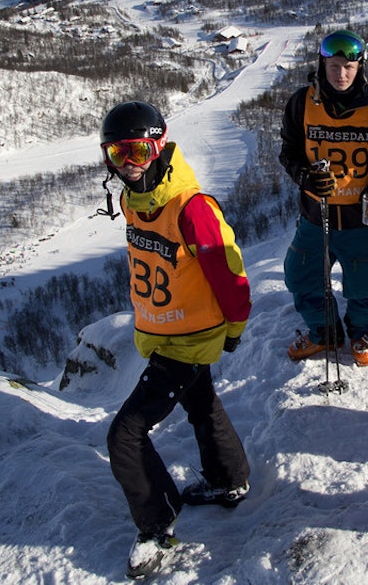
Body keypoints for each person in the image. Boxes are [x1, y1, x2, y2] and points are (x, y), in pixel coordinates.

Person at [98, 101, 253, 580]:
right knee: (200, 402)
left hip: (188, 339)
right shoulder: (134, 199)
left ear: (159, 145)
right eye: (118, 153)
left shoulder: (192, 208)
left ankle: (156, 524)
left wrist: (233, 328)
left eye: (139, 151)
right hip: (164, 333)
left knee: (124, 435)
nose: (130, 163)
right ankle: (229, 480)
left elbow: (230, 274)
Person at [278, 29, 368, 366]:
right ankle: (325, 332)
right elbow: (289, 151)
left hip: (360, 218)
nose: (341, 74)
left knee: (363, 285)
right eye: (334, 66)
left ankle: (361, 332)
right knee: (300, 275)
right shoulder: (301, 102)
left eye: (349, 66)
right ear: (322, 65)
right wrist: (304, 176)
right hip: (315, 214)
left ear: (360, 66)